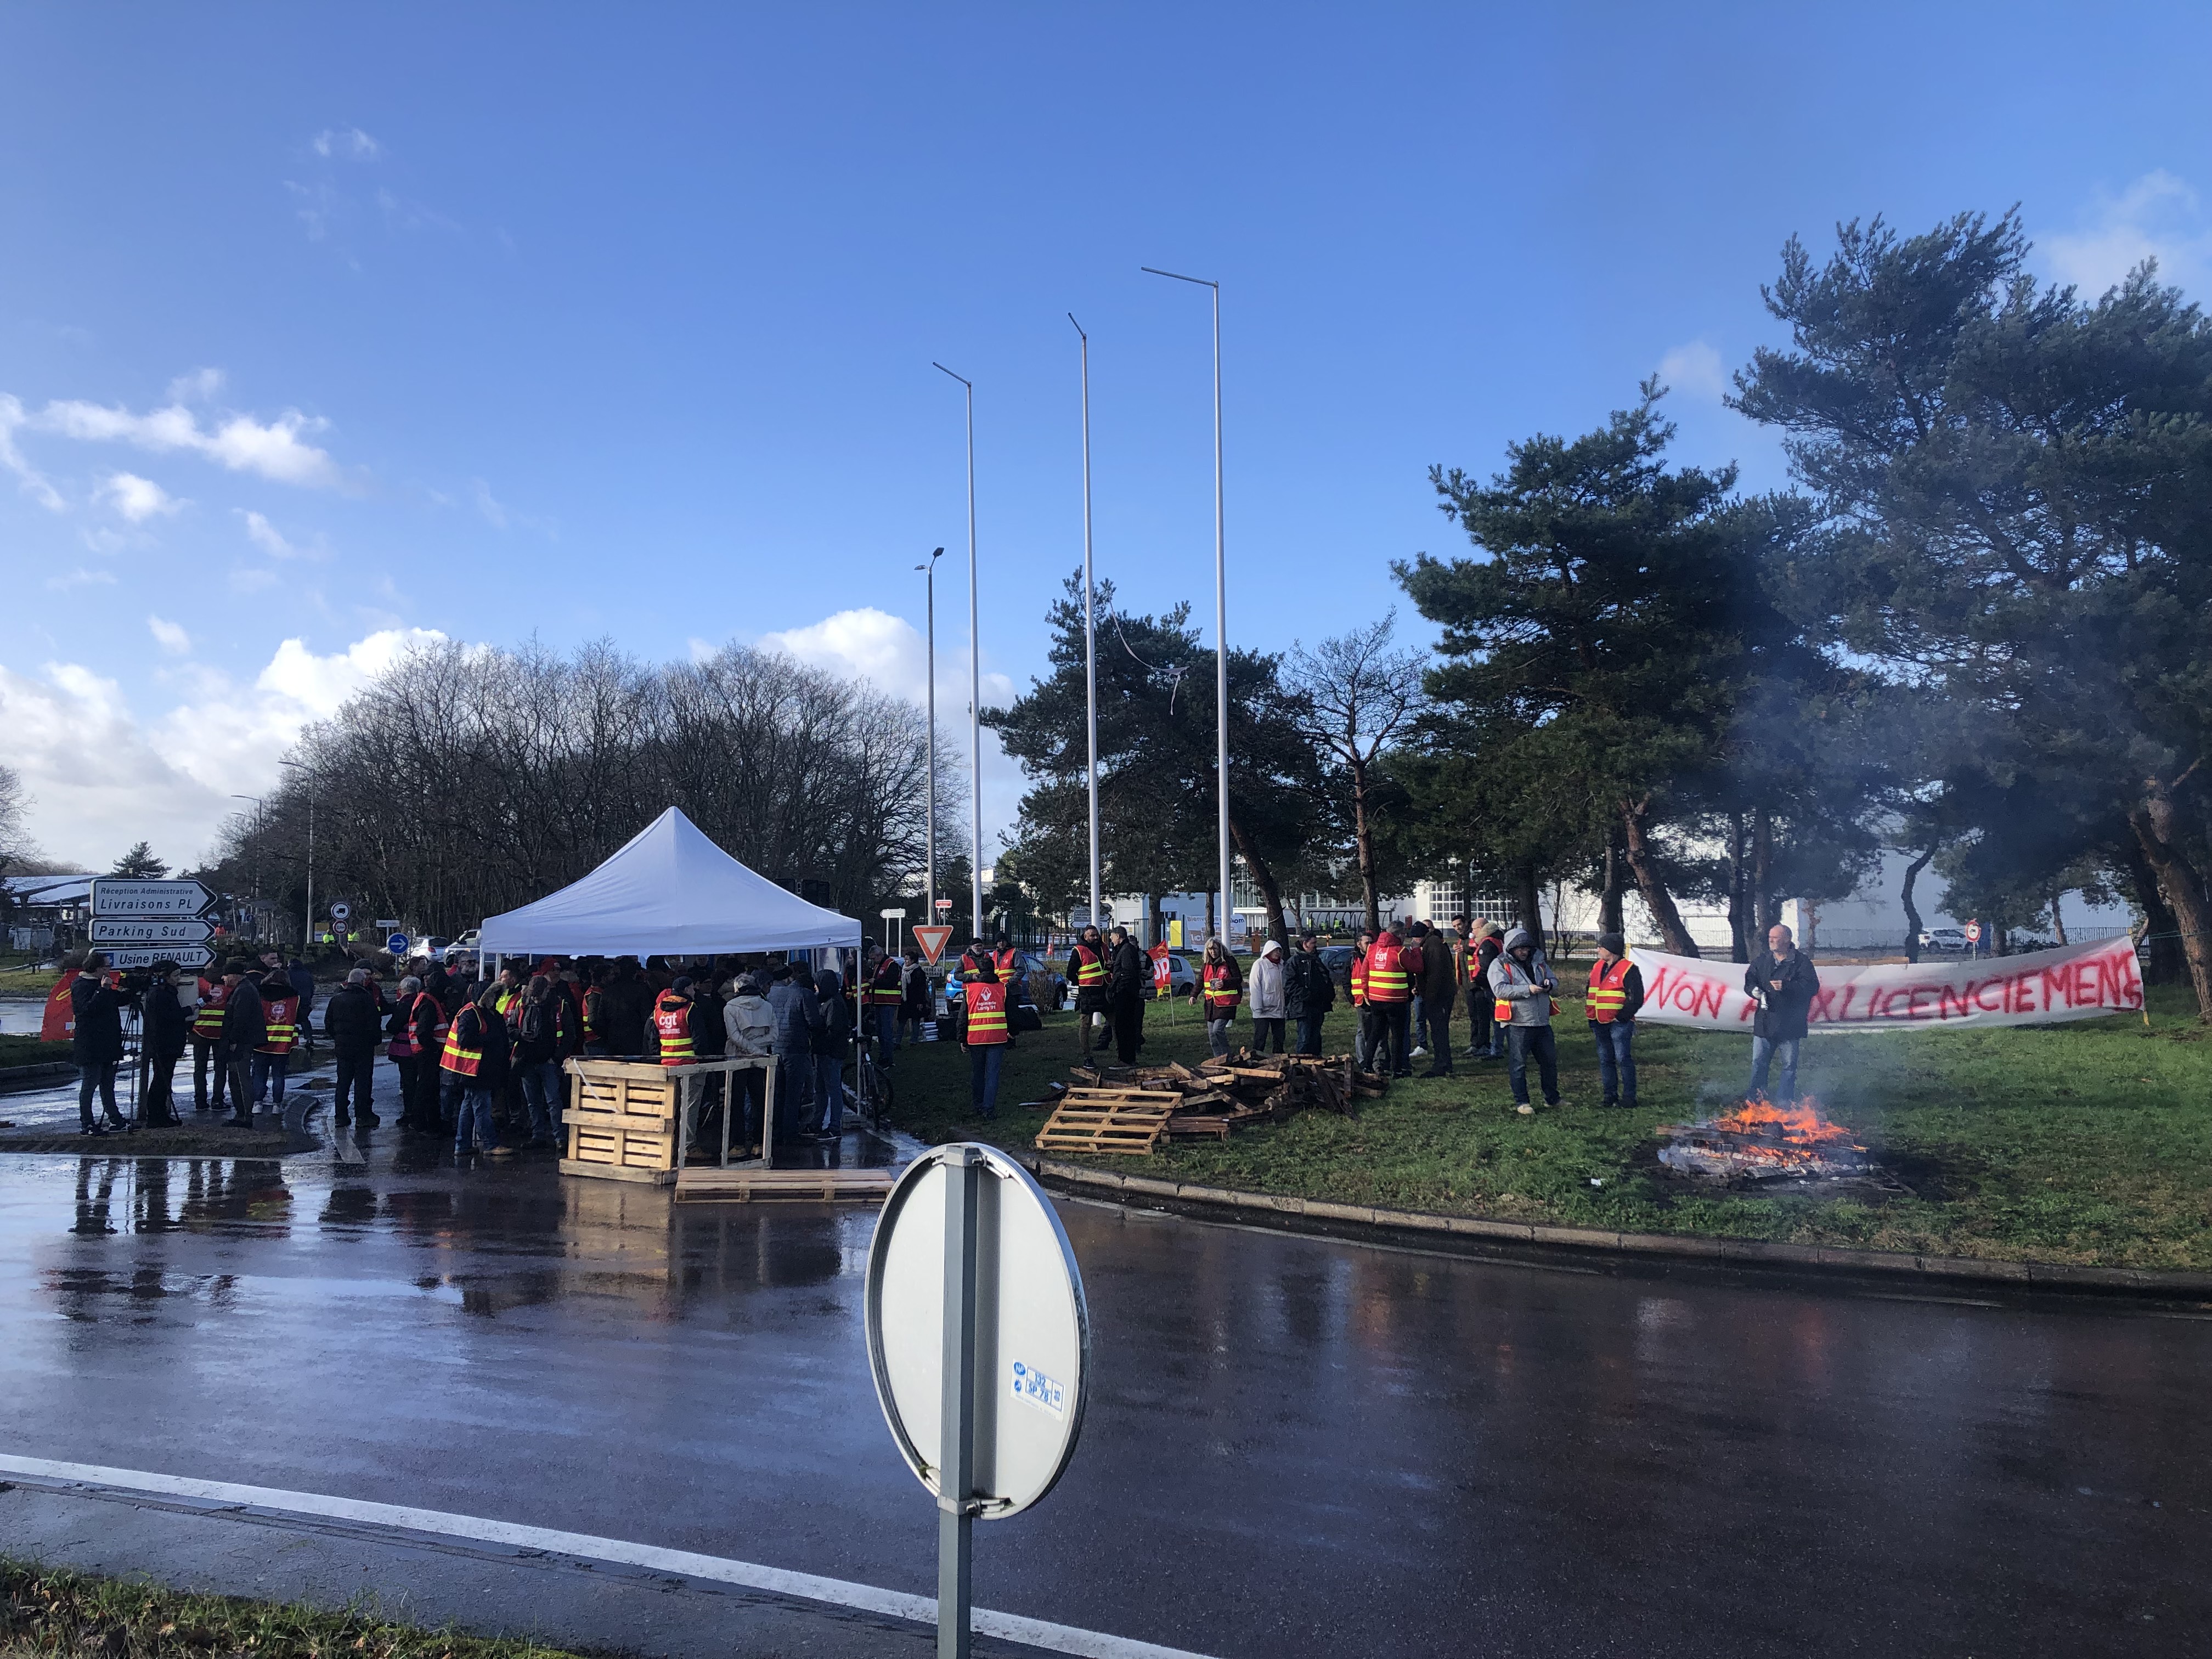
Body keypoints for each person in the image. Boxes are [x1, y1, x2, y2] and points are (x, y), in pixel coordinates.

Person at [1745, 923, 1819, 1102]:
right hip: (1765, 1023)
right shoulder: (1762, 961)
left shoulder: (1802, 962)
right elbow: (1750, 981)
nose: (1771, 941)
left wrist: (1787, 987)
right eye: (1770, 937)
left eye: (1775, 937)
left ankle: (1784, 1103)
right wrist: (1754, 991)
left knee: (1788, 1067)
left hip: (1791, 1024)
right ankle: (1755, 1101)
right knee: (1759, 1064)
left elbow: (1812, 987)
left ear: (1787, 939)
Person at [1492, 927, 1564, 1113]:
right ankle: (1522, 1103)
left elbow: (1553, 979)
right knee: (1518, 1065)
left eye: (1527, 948)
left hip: (1542, 1021)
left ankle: (1553, 1099)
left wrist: (1550, 985)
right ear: (1511, 948)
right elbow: (1500, 990)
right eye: (1520, 949)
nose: (1525, 952)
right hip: (1519, 1023)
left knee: (1549, 1062)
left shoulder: (1538, 961)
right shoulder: (1499, 964)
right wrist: (1527, 990)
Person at [442, 982, 512, 1156]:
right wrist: (491, 1039)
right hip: (474, 1071)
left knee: (469, 1107)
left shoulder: (488, 1013)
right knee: (482, 1108)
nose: (495, 999)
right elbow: (464, 1039)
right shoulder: (471, 1013)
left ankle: (463, 1145)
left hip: (480, 1070)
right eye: (492, 995)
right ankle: (490, 1144)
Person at [70, 953, 133, 1136]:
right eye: (106, 967)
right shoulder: (81, 985)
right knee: (90, 1082)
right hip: (90, 1044)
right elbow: (86, 1010)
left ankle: (115, 1119)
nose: (109, 970)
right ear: (97, 968)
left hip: (107, 1042)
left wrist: (130, 990)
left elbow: (117, 1000)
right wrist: (103, 990)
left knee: (108, 1082)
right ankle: (87, 1123)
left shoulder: (102, 985)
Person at [1584, 932, 1644, 1110]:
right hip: (1599, 1021)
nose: (1598, 950)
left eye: (1601, 947)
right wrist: (1591, 1015)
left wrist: (1621, 1017)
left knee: (1623, 1059)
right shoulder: (1597, 968)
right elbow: (1590, 992)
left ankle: (1629, 1098)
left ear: (1610, 950)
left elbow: (1636, 998)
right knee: (1606, 1060)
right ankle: (1609, 1096)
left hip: (1620, 1023)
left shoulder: (1629, 969)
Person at [323, 967, 385, 1136]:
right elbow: (374, 1024)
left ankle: (340, 1117)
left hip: (343, 1047)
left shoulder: (336, 999)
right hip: (363, 1048)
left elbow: (328, 1023)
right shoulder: (366, 999)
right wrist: (375, 1041)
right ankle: (363, 1116)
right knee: (363, 1083)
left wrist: (338, 1037)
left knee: (343, 1082)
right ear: (362, 982)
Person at [765, 961, 822, 1143]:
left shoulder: (776, 993)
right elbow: (814, 1022)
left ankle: (773, 1132)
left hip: (776, 1047)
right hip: (796, 1049)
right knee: (793, 1094)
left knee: (777, 1093)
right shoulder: (805, 995)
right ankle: (789, 1133)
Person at [723, 972, 775, 1149]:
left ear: (737, 988)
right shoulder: (767, 1006)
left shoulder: (730, 1007)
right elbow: (774, 1035)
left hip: (736, 1058)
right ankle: (759, 1143)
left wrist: (750, 1047)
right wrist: (758, 1048)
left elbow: (734, 1036)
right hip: (761, 1059)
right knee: (759, 1099)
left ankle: (737, 1144)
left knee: (736, 1101)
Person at [514, 974, 567, 1148]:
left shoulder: (558, 1006)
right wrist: (519, 1035)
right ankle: (539, 1136)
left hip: (548, 1061)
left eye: (539, 995)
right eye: (534, 996)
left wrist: (556, 1057)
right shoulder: (522, 1005)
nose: (537, 999)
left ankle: (559, 1137)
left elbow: (569, 1034)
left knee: (553, 1100)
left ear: (547, 990)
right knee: (534, 1101)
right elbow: (510, 1026)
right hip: (528, 1060)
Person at [958, 942, 1008, 1118]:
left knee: (978, 1073)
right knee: (992, 1074)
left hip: (975, 1039)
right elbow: (1012, 1014)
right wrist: (1014, 1032)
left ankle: (978, 1105)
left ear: (979, 972)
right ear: (994, 970)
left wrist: (962, 1039)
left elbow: (963, 1018)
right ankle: (989, 1108)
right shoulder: (1002, 989)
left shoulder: (970, 991)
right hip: (998, 1038)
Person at [140, 960, 189, 1126]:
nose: (179, 979)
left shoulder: (164, 992)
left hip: (166, 1043)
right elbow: (169, 1017)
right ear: (165, 976)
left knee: (164, 1079)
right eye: (176, 975)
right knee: (161, 1080)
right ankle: (156, 1116)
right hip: (164, 1043)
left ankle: (159, 1114)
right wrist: (190, 1010)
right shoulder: (160, 994)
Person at [1361, 923, 1414, 1078]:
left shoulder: (1372, 949)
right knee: (1397, 1036)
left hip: (1376, 999)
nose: (1405, 937)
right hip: (1396, 1000)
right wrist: (1416, 950)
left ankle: (1367, 1066)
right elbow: (1417, 967)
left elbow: (1365, 973)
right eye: (1404, 934)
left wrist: (1367, 994)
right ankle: (1397, 1070)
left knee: (1375, 1033)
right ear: (1398, 934)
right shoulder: (1400, 951)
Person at [218, 958, 266, 1128]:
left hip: (241, 1043)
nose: (223, 979)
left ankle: (245, 1116)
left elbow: (241, 1019)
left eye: (226, 975)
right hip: (241, 1042)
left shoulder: (244, 991)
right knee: (236, 1079)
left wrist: (233, 1041)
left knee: (240, 1079)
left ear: (234, 976)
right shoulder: (243, 989)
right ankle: (241, 1114)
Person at [252, 967, 303, 1114]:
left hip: (260, 1042)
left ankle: (257, 1104)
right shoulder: (294, 998)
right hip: (283, 1043)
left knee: (260, 1074)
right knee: (279, 1076)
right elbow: (301, 1016)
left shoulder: (259, 995)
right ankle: (277, 1106)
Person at [387, 974, 435, 1130]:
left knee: (409, 1083)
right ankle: (420, 1113)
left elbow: (392, 1026)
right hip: (421, 1048)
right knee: (420, 1081)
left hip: (405, 1048)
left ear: (404, 990)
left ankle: (411, 1113)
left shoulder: (405, 1004)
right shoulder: (423, 1001)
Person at [1417, 919, 1458, 1077]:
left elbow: (1435, 974)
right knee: (1439, 1030)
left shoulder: (1432, 945)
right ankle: (1443, 1063)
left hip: (1439, 996)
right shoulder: (1433, 943)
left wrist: (1429, 996)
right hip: (1440, 995)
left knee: (1439, 1031)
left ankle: (1442, 1064)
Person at [814, 967, 851, 1137]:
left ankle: (834, 1126)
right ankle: (818, 1122)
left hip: (831, 1053)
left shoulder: (833, 1004)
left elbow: (833, 1030)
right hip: (827, 1052)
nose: (815, 988)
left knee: (833, 1089)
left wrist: (820, 1041)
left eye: (817, 985)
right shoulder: (831, 1001)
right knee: (822, 1089)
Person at [1192, 938, 1243, 1058]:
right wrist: (1194, 995)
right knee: (1212, 1037)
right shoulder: (1207, 964)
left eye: (1215, 948)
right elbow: (1200, 981)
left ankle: (1228, 1056)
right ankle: (1219, 1060)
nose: (1213, 952)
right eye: (1210, 949)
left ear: (1220, 948)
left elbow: (1238, 979)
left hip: (1226, 1004)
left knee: (1217, 1030)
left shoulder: (1229, 961)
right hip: (1211, 1005)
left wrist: (1224, 983)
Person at [1286, 932, 1335, 1056]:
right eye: (1313, 943)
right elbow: (1288, 984)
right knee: (1305, 1037)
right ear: (1305, 944)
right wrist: (1307, 995)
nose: (1315, 946)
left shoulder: (1316, 960)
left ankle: (1316, 1063)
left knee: (1316, 1037)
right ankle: (1301, 1065)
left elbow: (1325, 979)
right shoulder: (1294, 962)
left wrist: (1328, 995)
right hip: (1304, 1006)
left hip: (1318, 1006)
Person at [189, 968, 231, 1113]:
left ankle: (200, 1101)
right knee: (220, 1068)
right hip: (222, 1033)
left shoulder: (199, 983)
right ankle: (218, 1100)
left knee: (200, 1068)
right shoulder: (229, 986)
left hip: (200, 1031)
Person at [1066, 924, 1110, 1057]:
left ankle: (1121, 1053)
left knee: (1114, 1022)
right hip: (1088, 993)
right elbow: (1070, 973)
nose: (1096, 937)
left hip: (1105, 990)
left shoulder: (1104, 947)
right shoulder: (1079, 950)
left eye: (1097, 935)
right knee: (1085, 1025)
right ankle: (1086, 1054)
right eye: (1092, 935)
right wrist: (1081, 984)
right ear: (1085, 937)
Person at [1105, 926, 1147, 1064]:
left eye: (1112, 936)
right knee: (1123, 1027)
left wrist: (1118, 989)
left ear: (1118, 936)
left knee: (1124, 1027)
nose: (1111, 939)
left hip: (1126, 995)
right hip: (1127, 993)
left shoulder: (1127, 950)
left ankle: (1126, 1060)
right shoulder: (1124, 950)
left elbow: (1128, 973)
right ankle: (1126, 1058)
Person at [1465, 922, 1503, 1062]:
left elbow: (1486, 967)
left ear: (1481, 929)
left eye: (1474, 929)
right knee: (1499, 1019)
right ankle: (1496, 1047)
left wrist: (1478, 981)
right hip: (1494, 984)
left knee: (1496, 1019)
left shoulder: (1487, 944)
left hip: (1490, 986)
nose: (1472, 932)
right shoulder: (1497, 940)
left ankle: (1495, 1050)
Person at [1247, 938, 1288, 1054]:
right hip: (1263, 1010)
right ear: (1268, 951)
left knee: (1279, 1037)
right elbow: (1255, 986)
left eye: (1279, 951)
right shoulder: (1259, 965)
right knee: (1261, 1037)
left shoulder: (1282, 966)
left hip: (1279, 1009)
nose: (1277, 953)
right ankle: (1256, 1059)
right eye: (1275, 951)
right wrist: (1257, 1007)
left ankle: (1278, 1058)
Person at [865, 943, 904, 1056]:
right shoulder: (878, 965)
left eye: (874, 958)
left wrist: (876, 982)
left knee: (886, 1032)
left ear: (880, 955)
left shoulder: (891, 964)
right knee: (880, 1031)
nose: (873, 961)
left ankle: (888, 1057)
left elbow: (891, 983)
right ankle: (883, 1054)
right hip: (878, 1002)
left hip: (888, 1002)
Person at [286, 951, 318, 1059]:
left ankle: (289, 1041)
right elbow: (312, 988)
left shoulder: (288, 974)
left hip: (292, 1000)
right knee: (304, 1020)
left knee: (290, 1021)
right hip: (305, 1000)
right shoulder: (307, 974)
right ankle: (309, 1038)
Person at [1350, 929, 1373, 1070]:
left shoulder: (1374, 956)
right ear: (1359, 944)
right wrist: (1351, 998)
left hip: (1374, 998)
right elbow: (1347, 980)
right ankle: (1363, 1060)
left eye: (1371, 942)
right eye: (1367, 943)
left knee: (1369, 1030)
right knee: (1363, 1031)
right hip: (1360, 1000)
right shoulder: (1353, 959)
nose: (1370, 945)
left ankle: (1371, 1059)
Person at [899, 949, 930, 1046]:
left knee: (915, 1021)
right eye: (905, 959)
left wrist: (921, 1002)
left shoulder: (918, 972)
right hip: (904, 1000)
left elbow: (921, 988)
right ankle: (897, 1040)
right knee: (901, 1021)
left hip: (915, 1001)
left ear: (913, 961)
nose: (905, 961)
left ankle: (914, 1040)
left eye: (907, 960)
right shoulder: (903, 970)